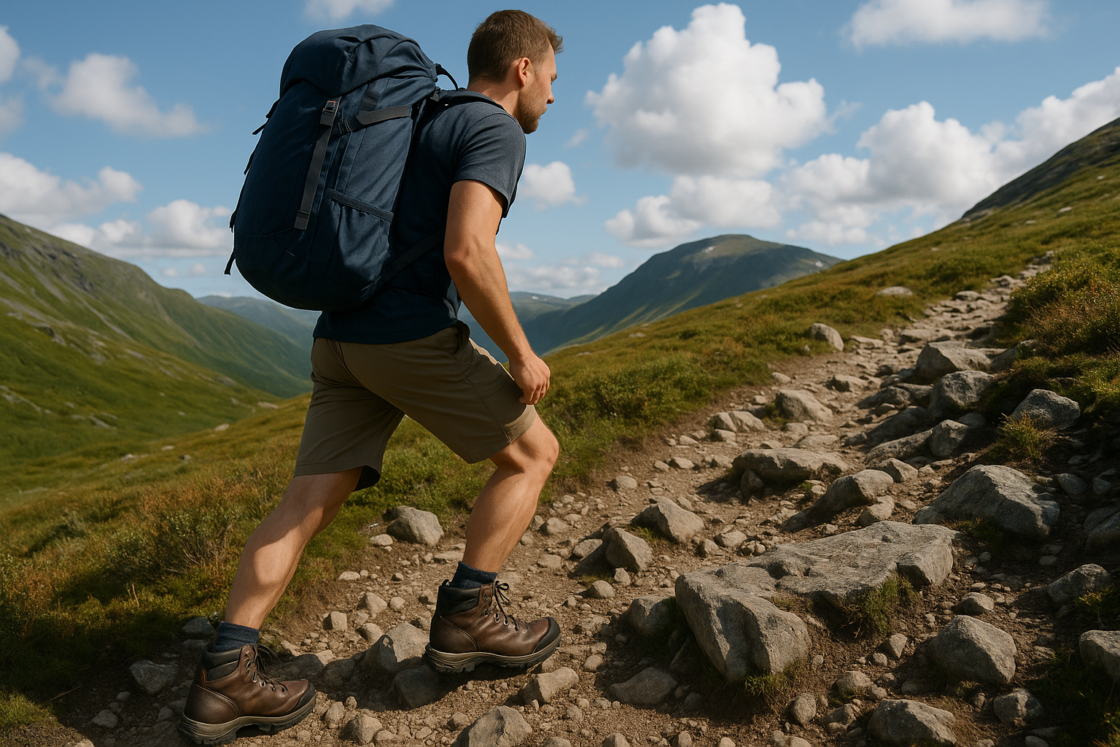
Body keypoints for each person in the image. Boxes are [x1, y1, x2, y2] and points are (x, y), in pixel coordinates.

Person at [179, 10, 562, 744]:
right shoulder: (493, 128)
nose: (553, 92)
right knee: (533, 454)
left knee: (305, 501)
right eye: (551, 76)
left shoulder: (417, 117)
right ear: (523, 68)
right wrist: (519, 351)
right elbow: (467, 250)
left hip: (341, 337)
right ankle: (468, 617)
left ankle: (224, 674)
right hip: (405, 336)